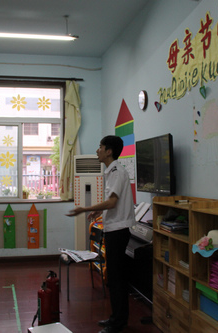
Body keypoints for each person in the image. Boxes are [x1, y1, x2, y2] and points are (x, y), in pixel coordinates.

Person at [67, 135, 135, 333]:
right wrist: (99, 210)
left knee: (116, 279)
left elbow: (112, 203)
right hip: (114, 229)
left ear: (109, 151)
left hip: (118, 231)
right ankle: (116, 318)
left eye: (100, 147)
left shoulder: (116, 171)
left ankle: (118, 322)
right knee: (114, 278)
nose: (97, 150)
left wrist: (85, 208)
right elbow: (112, 202)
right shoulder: (112, 171)